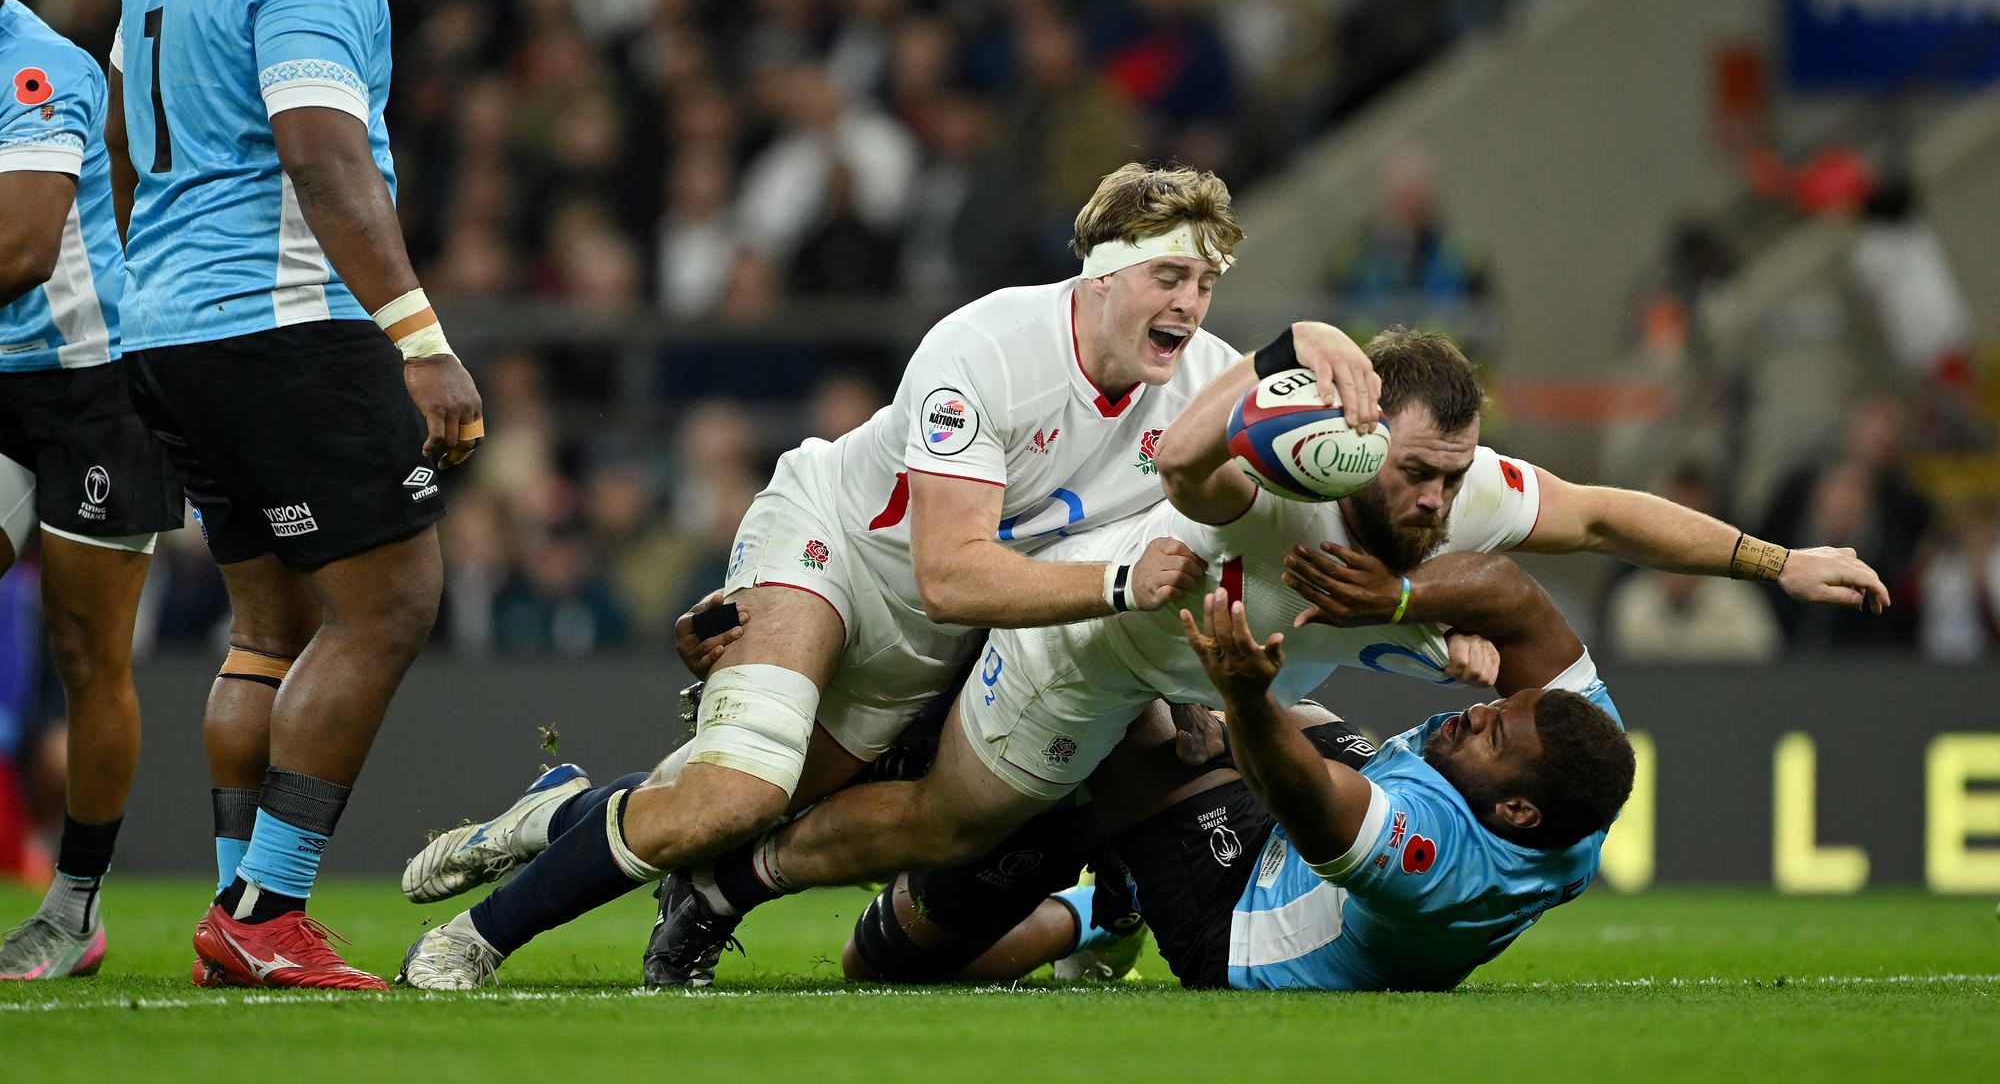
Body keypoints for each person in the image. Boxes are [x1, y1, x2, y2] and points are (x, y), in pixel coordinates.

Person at [397, 162, 1382, 989]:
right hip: (835, 551)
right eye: (1168, 275)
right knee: (735, 792)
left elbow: (1225, 534)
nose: (1189, 304)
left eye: (1204, 282)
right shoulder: (987, 348)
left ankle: (555, 812)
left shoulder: (1203, 384)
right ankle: (475, 937)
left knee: (736, 808)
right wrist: (1124, 585)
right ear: (1100, 273)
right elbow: (950, 573)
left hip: (941, 636)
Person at [663, 330, 1885, 979]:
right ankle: (734, 873)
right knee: (951, 817)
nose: (1437, 499)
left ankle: (1080, 890)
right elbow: (1180, 469)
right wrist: (1273, 357)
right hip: (1100, 652)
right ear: (1354, 435)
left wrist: (1777, 561)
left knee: (927, 909)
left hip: (1226, 716)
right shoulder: (1276, 466)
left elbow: (1604, 515)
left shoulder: (1458, 508)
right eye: (1416, 471)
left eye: (1453, 474)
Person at [105, 0, 482, 990]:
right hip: (280, 322)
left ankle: (235, 908)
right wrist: (420, 339)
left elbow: (123, 144)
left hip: (173, 327)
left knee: (268, 624)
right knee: (391, 601)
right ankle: (268, 908)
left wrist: (156, 294)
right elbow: (321, 153)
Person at [853, 566, 1629, 992]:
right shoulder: (1583, 761)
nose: (1476, 712)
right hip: (1343, 842)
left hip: (1240, 920)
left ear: (1517, 810)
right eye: (1498, 707)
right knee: (1209, 694)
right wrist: (1396, 595)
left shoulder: (1436, 862)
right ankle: (1109, 856)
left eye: (1494, 733)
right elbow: (1518, 598)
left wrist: (1243, 698)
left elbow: (1304, 795)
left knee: (1107, 688)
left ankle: (1100, 905)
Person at [0, 0, 184, 979]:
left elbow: (25, 247)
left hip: (94, 385)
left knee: (85, 650)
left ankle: (73, 911)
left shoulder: (39, 65)